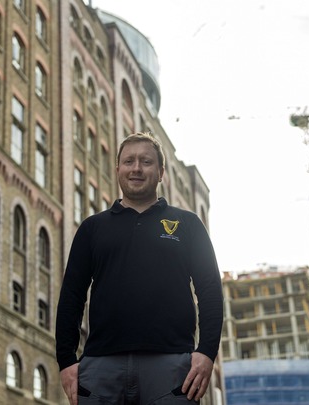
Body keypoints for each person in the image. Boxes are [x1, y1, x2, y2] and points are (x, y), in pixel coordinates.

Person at [56, 132, 223, 404]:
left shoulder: (189, 224)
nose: (136, 168)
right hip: (101, 369)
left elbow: (210, 291)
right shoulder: (92, 228)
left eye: (146, 162)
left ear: (161, 173)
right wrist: (66, 361)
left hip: (172, 370)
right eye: (129, 161)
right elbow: (72, 296)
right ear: (118, 169)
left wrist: (206, 353)